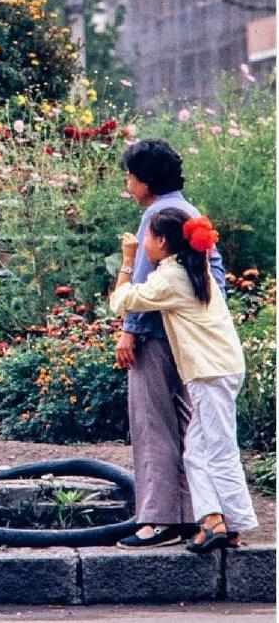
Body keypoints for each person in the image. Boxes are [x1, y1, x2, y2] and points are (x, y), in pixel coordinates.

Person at [111, 208, 258, 551]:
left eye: (147, 236)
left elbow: (121, 301)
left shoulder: (172, 278)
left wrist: (128, 260)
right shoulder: (190, 267)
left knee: (218, 449)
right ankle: (213, 522)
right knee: (196, 451)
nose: (144, 242)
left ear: (162, 241)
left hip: (211, 371)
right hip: (215, 368)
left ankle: (233, 523)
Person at [113, 139, 226, 548]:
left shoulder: (157, 218)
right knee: (185, 427)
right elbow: (217, 278)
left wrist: (130, 331)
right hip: (189, 338)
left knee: (153, 423)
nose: (127, 184)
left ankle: (160, 519)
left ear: (146, 180)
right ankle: (196, 513)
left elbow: (144, 283)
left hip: (157, 336)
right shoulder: (190, 212)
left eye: (130, 177)